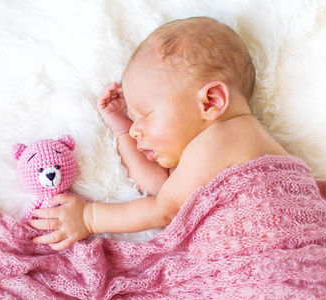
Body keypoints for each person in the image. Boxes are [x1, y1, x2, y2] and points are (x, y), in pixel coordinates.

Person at [28, 16, 289, 251]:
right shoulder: (214, 151)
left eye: (145, 114)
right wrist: (121, 131)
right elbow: (161, 189)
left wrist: (90, 217)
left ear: (210, 101)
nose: (135, 127)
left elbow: (164, 210)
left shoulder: (226, 137)